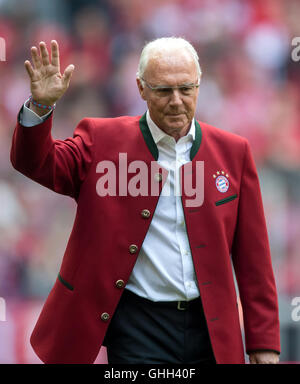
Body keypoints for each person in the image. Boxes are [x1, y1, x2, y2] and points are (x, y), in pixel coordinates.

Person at [10, 37, 280, 364]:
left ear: (200, 86)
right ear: (141, 88)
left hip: (210, 327)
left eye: (186, 88)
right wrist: (40, 106)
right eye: (164, 90)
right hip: (137, 324)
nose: (177, 101)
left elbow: (255, 262)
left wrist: (263, 344)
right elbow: (36, 163)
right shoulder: (102, 140)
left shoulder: (233, 153)